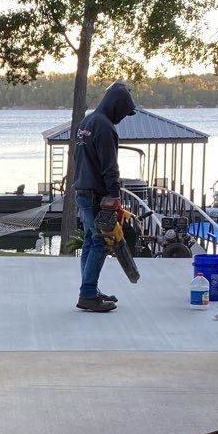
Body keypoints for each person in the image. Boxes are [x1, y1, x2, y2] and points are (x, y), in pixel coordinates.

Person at [69, 82, 136, 312]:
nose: (123, 117)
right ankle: (87, 294)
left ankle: (89, 290)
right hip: (97, 195)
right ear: (116, 106)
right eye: (124, 112)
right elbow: (110, 166)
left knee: (90, 241)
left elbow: (80, 159)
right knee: (100, 242)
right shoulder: (105, 126)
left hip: (82, 191)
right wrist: (115, 195)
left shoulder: (86, 122)